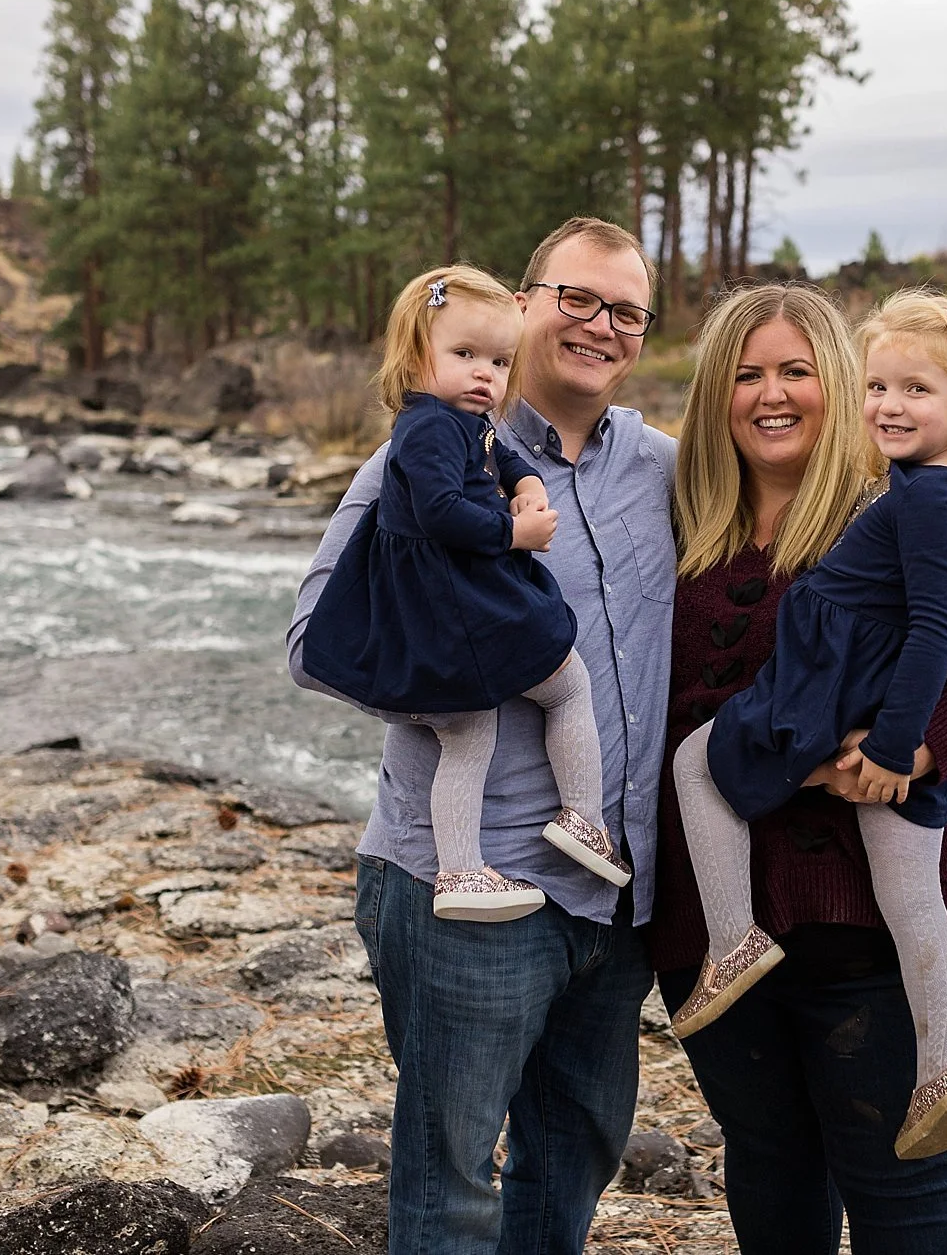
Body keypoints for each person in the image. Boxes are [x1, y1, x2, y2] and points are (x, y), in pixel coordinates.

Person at [650, 283, 947, 1253]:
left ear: (841, 385)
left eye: (795, 370)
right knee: (768, 1165)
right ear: (713, 394)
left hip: (876, 918)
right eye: (745, 374)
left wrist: (907, 751)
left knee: (903, 1191)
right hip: (712, 928)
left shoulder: (899, 509)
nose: (770, 394)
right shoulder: (669, 527)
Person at [288, 218, 673, 1255]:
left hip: (612, 890)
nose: (599, 326)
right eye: (574, 299)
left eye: (625, 310)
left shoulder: (662, 469)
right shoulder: (423, 460)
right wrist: (460, 690)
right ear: (527, 299)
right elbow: (309, 643)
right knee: (450, 1183)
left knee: (570, 1163)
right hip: (464, 892)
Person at [300, 265, 629, 923]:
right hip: (462, 610)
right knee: (568, 686)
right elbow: (442, 511)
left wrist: (527, 479)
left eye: (501, 361)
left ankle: (459, 871)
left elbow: (497, 455)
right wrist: (516, 530)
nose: (487, 375)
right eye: (466, 355)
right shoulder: (422, 430)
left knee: (469, 734)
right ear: (418, 356)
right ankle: (582, 817)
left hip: (448, 618)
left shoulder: (460, 420)